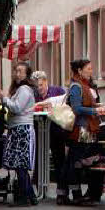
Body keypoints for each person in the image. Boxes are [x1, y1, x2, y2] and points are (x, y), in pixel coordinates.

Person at [60, 58, 105, 206]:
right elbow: (76, 108)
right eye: (89, 69)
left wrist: (97, 107)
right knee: (74, 163)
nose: (91, 71)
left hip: (86, 129)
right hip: (79, 130)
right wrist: (95, 110)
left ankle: (66, 194)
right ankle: (74, 195)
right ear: (79, 71)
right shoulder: (76, 87)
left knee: (74, 163)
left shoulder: (84, 85)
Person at [2, 61, 37, 206]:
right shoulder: (21, 89)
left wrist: (4, 99)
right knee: (19, 164)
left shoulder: (24, 89)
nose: (17, 73)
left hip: (22, 129)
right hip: (18, 128)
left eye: (20, 71)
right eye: (16, 70)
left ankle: (24, 198)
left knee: (20, 164)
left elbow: (17, 108)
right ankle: (30, 195)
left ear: (26, 74)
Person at [32, 69, 67, 202]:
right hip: (39, 130)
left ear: (46, 82)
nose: (39, 89)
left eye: (40, 85)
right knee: (38, 159)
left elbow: (65, 105)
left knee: (59, 160)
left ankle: (61, 192)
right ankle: (39, 190)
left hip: (56, 130)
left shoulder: (57, 91)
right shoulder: (33, 95)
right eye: (36, 86)